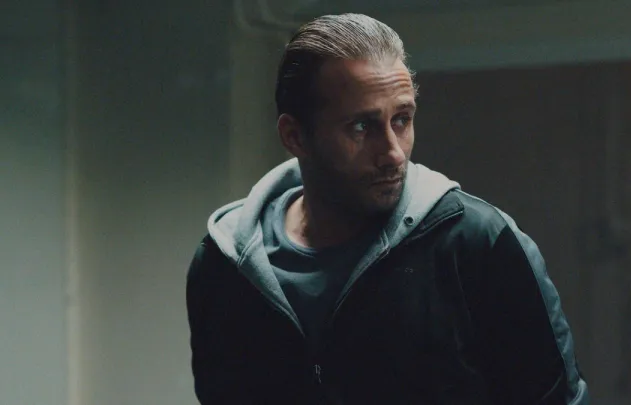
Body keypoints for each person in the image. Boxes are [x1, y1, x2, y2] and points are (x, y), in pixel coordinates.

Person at [186, 13, 589, 405]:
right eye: (361, 127)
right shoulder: (223, 268)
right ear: (295, 136)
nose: (393, 153)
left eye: (402, 119)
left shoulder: (479, 244)